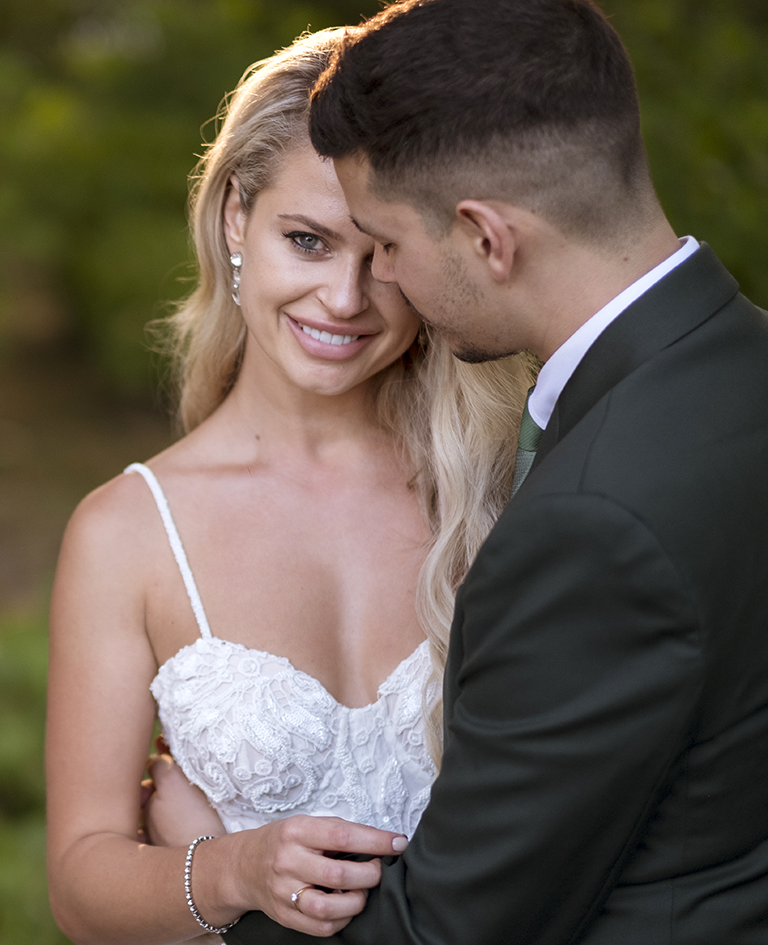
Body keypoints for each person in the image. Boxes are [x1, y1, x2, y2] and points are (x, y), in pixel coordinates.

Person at [203, 1, 768, 942]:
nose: (375, 279)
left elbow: (452, 931)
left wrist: (214, 887)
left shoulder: (590, 524)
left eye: (385, 244)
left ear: (486, 238)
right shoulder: (740, 364)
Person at [44, 28, 531, 943]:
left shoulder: (496, 485)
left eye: (380, 254)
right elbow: (80, 881)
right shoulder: (128, 535)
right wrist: (231, 867)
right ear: (236, 218)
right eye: (306, 241)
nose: (343, 300)